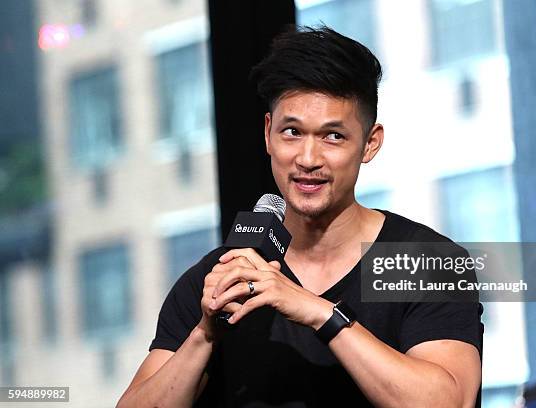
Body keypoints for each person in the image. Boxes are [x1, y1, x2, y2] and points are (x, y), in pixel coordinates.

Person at [117, 26, 483, 408]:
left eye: (333, 137)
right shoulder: (222, 276)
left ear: (370, 144)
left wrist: (319, 312)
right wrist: (205, 334)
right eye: (291, 132)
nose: (308, 159)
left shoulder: (424, 264)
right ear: (267, 134)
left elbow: (448, 402)